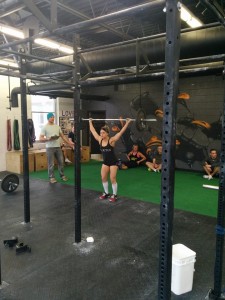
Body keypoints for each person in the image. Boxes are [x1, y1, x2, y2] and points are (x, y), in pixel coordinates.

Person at [89, 118, 132, 202]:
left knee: (112, 178)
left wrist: (127, 123)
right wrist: (90, 122)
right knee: (103, 177)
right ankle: (106, 193)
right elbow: (93, 131)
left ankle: (114, 195)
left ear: (107, 133)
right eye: (101, 132)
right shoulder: (100, 140)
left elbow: (120, 132)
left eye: (103, 133)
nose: (101, 134)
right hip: (105, 162)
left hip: (113, 162)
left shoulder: (111, 140)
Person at [39, 113, 74, 183]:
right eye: (51, 117)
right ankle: (51, 177)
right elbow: (40, 138)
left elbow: (63, 136)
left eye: (53, 117)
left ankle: (62, 175)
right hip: (49, 148)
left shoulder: (57, 127)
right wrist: (47, 139)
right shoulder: (44, 127)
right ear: (48, 118)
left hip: (58, 147)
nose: (52, 118)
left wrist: (70, 143)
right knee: (51, 164)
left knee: (61, 162)